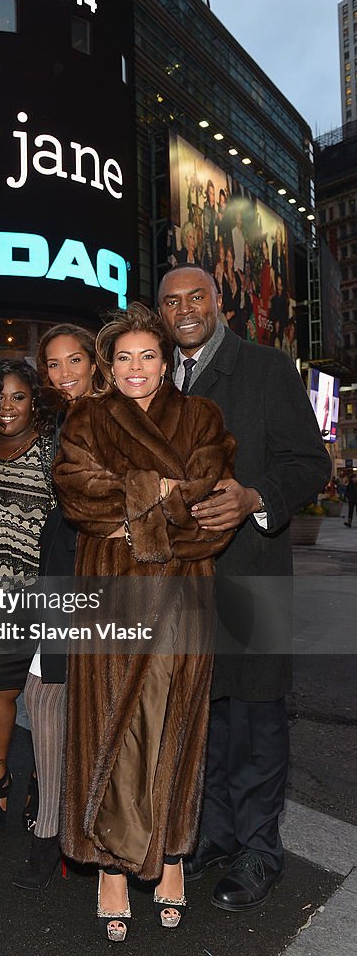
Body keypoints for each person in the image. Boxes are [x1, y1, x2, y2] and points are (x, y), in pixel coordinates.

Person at [53, 302, 235, 942]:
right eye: (124, 357)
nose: (136, 368)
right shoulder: (87, 417)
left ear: (167, 362)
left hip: (185, 594)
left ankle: (172, 857)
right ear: (110, 364)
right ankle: (110, 865)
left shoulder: (202, 416)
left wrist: (142, 505)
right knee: (111, 725)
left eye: (148, 356)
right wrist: (157, 493)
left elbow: (211, 508)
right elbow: (78, 495)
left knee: (173, 724)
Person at [158, 266, 331, 912]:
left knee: (257, 718)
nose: (184, 310)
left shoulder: (265, 368)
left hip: (250, 570)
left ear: (218, 301)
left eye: (194, 297)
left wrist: (255, 496)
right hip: (182, 583)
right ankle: (216, 835)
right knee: (204, 717)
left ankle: (260, 849)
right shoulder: (156, 377)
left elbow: (310, 463)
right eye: (171, 301)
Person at [14, 324, 97, 890]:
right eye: (53, 364)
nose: (63, 374)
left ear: (97, 362)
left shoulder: (116, 414)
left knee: (96, 709)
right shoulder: (63, 421)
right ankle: (52, 834)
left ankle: (86, 838)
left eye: (74, 361)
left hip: (103, 582)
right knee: (45, 696)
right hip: (59, 579)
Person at [0, 359, 57, 833]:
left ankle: (42, 780)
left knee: (44, 698)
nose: (7, 407)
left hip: (40, 596)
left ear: (34, 401)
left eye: (18, 397)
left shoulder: (52, 451)